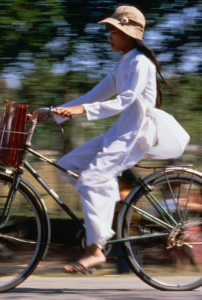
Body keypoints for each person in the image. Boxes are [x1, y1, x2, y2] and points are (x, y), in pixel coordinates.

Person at [34, 6, 188, 273]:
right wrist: (53, 112)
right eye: (109, 30)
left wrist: (79, 111)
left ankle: (96, 249)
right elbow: (93, 95)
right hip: (119, 132)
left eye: (113, 31)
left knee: (92, 178)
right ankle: (106, 211)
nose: (109, 36)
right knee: (68, 166)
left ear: (128, 33)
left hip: (135, 134)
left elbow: (124, 101)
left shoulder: (141, 63)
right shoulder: (123, 63)